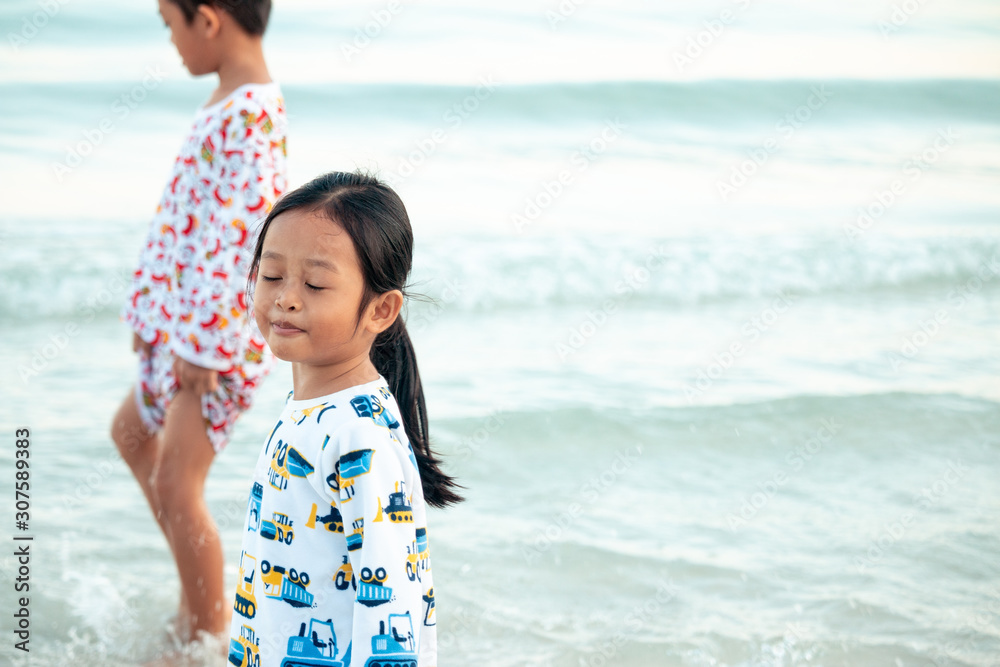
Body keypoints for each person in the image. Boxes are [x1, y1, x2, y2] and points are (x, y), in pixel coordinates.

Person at [227, 171, 461, 667]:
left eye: (315, 283)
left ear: (381, 309)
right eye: (271, 276)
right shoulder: (314, 411)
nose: (286, 297)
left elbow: (392, 604)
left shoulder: (357, 435)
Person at [110, 0, 288, 642]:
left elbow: (238, 240)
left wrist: (204, 346)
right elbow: (186, 219)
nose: (172, 42)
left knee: (177, 485)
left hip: (213, 346)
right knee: (131, 434)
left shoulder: (252, 115)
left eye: (171, 26)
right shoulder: (226, 100)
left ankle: (208, 638)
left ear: (208, 21)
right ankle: (197, 602)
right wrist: (149, 309)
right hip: (182, 330)